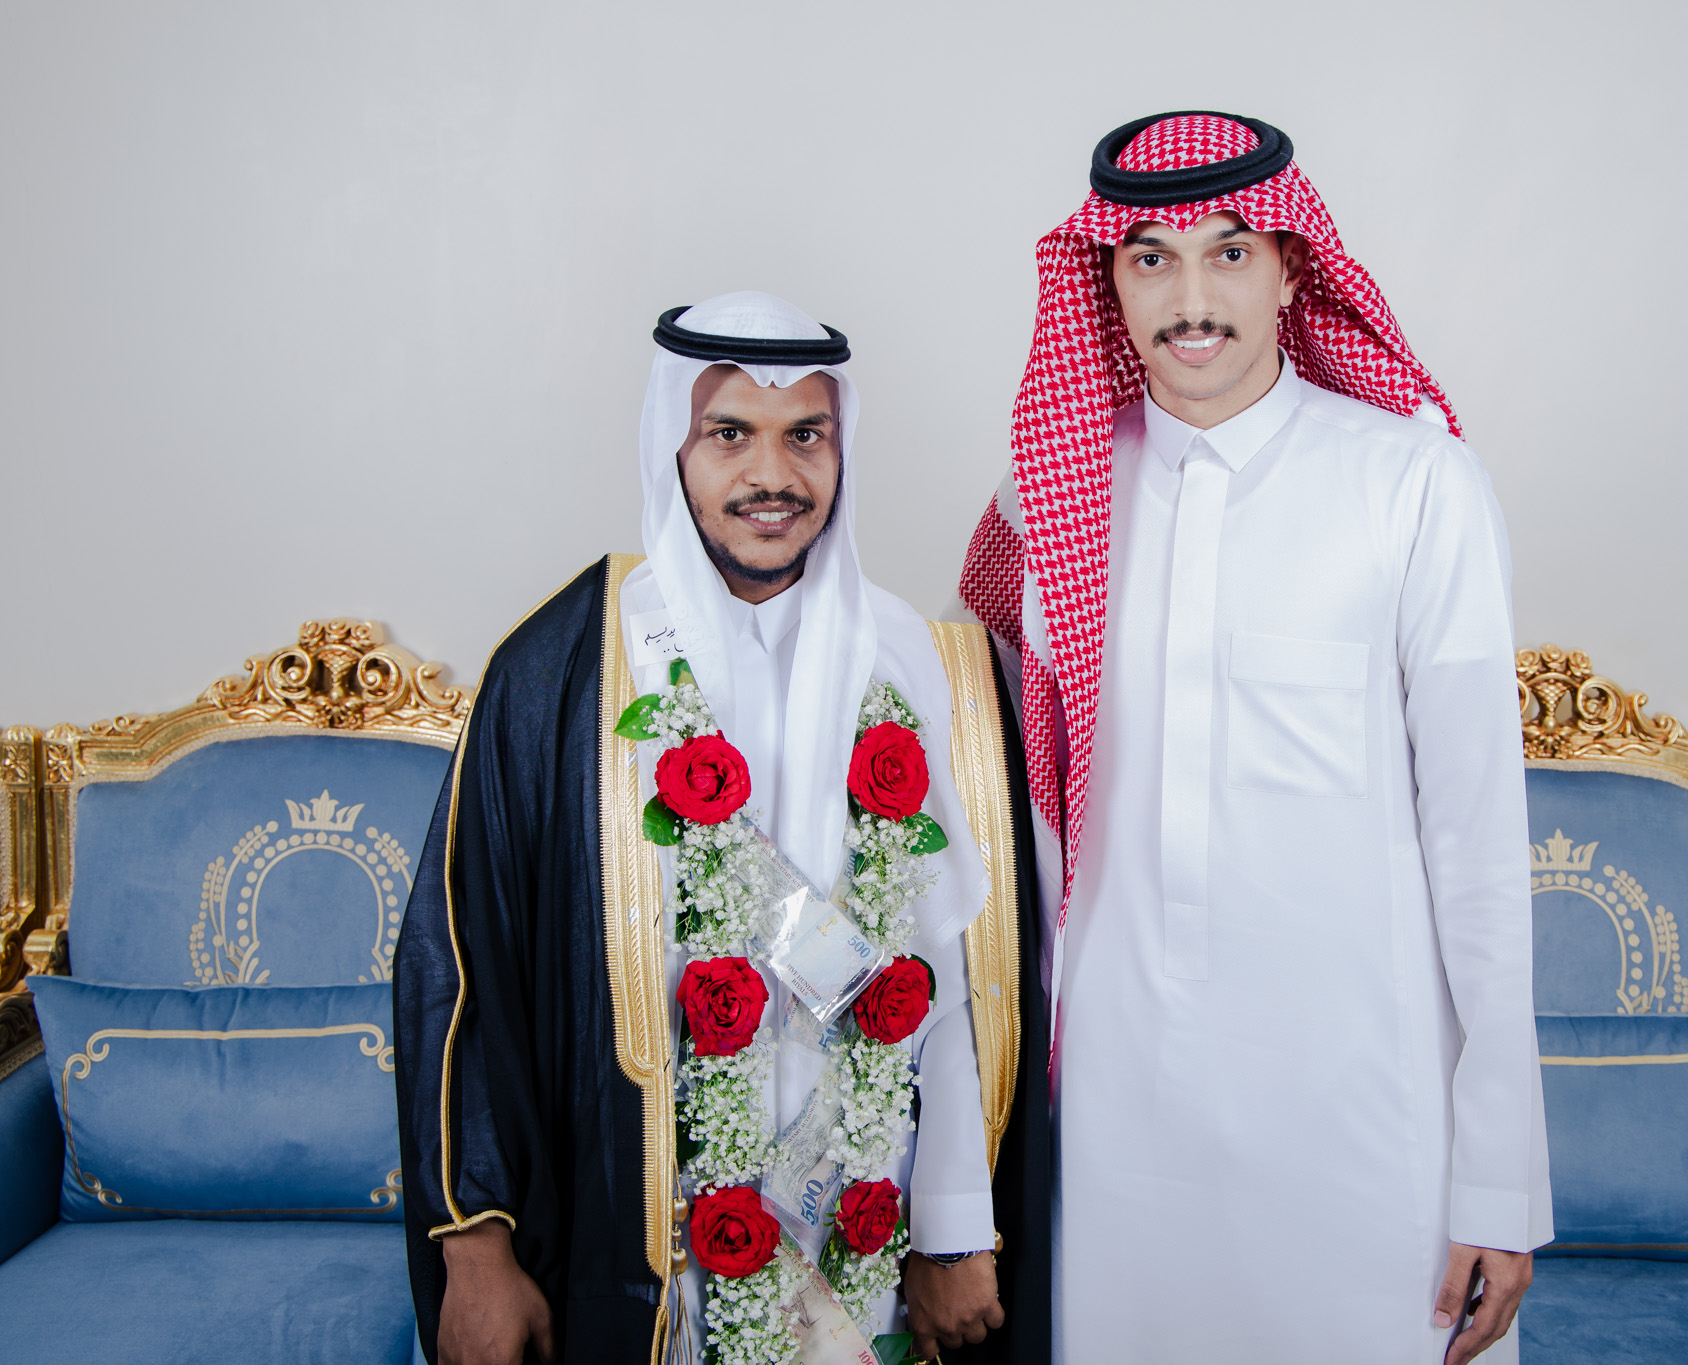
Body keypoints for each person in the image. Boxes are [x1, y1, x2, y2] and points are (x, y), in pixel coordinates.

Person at [958, 113, 1553, 1363]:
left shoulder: (1413, 483)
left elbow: (1478, 848)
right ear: (1107, 282)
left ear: (1289, 269)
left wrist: (1499, 1182)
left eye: (1228, 253)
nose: (1191, 300)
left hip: (1360, 1114)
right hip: (1119, 1114)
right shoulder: (1051, 496)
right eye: (1151, 259)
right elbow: (992, 809)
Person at [396, 292, 1039, 1364]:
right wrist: (475, 1248)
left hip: (865, 1238)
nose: (771, 475)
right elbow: (464, 967)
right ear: (674, 448)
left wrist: (956, 1226)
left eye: (806, 435)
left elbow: (951, 972)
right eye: (729, 433)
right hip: (643, 1243)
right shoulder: (566, 669)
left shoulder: (914, 661)